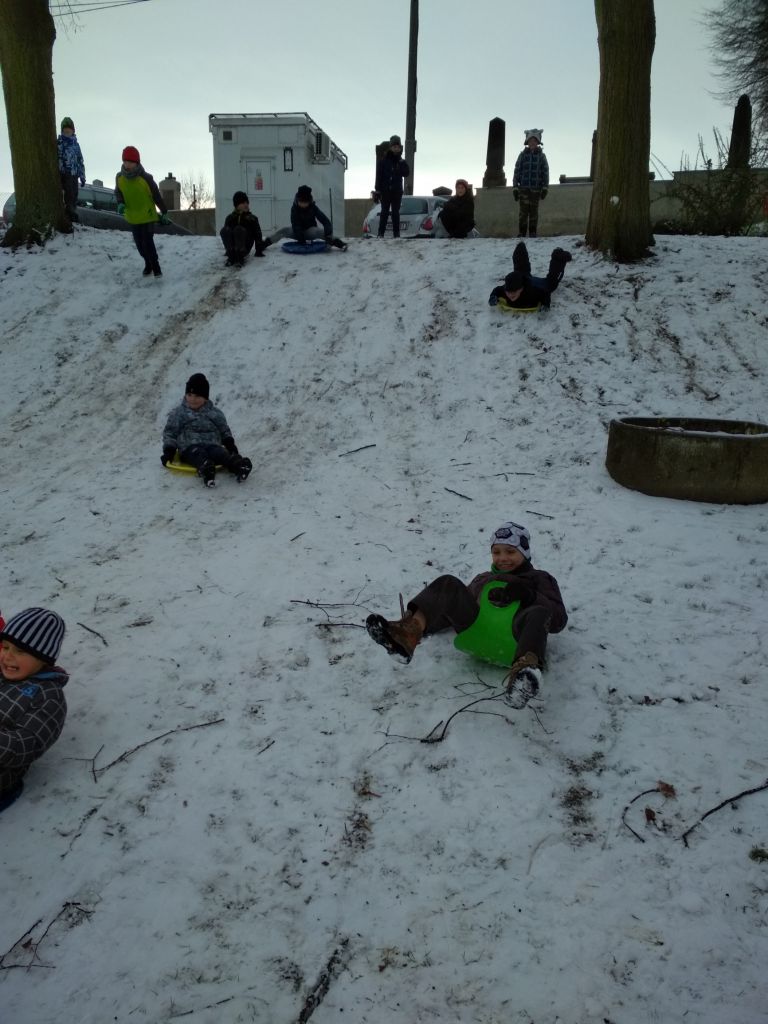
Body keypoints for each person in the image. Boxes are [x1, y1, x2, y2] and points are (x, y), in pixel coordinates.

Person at [366, 521, 567, 709]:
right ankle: (408, 634)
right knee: (448, 583)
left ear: (525, 552)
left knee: (539, 612)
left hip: (516, 641)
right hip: (476, 633)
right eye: (496, 552)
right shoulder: (483, 579)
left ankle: (524, 676)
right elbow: (452, 607)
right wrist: (430, 624)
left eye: (510, 551)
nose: (503, 558)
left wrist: (530, 595)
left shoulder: (539, 578)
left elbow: (558, 620)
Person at [0, 607, 68, 813]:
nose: (8, 657)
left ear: (43, 658)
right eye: (5, 647)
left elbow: (26, 745)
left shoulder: (48, 697)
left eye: (20, 651)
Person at [162, 373, 252, 488]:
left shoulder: (215, 413)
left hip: (212, 445)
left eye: (197, 396)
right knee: (198, 454)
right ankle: (206, 469)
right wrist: (169, 451)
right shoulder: (179, 414)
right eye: (189, 395)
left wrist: (230, 445)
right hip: (190, 447)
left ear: (205, 397)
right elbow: (170, 432)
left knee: (221, 454)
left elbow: (224, 430)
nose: (192, 399)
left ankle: (238, 466)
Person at [114, 146, 170, 278]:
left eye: (130, 162)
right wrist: (120, 203)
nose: (127, 164)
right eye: (125, 161)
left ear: (136, 162)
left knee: (147, 242)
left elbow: (156, 196)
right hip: (133, 216)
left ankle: (156, 266)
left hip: (147, 215)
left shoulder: (146, 178)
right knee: (139, 245)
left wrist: (164, 211)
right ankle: (147, 263)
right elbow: (118, 192)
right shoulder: (119, 177)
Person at [489, 242, 572, 312]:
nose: (510, 295)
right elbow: (497, 290)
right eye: (508, 292)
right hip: (523, 277)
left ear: (521, 289)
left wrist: (545, 305)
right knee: (520, 270)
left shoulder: (533, 291)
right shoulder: (505, 290)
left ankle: (558, 258)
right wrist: (493, 297)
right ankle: (520, 248)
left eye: (513, 292)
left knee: (551, 284)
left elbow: (545, 293)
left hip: (535, 284)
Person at [262, 186, 347, 250]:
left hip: (310, 231)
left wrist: (328, 236)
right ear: (297, 200)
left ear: (309, 201)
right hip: (297, 233)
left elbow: (325, 221)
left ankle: (340, 244)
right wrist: (301, 239)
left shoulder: (313, 208)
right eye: (301, 202)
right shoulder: (294, 209)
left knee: (321, 232)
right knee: (283, 230)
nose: (303, 204)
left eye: (305, 202)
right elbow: (295, 224)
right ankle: (265, 244)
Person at [512, 129, 550, 238]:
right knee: (523, 212)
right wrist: (515, 187)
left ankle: (533, 232)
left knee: (533, 212)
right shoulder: (522, 155)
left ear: (538, 142)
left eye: (534, 141)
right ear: (527, 142)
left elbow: (545, 172)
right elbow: (517, 171)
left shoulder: (542, 156)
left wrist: (545, 187)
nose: (532, 143)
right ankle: (522, 232)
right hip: (523, 188)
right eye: (530, 141)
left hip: (536, 189)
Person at [375, 136, 410, 238]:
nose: (396, 148)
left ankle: (396, 234)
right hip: (385, 191)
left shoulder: (401, 161)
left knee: (395, 213)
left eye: (397, 147)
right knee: (384, 212)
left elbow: (406, 173)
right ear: (390, 147)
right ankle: (380, 233)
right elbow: (379, 176)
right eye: (394, 146)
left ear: (400, 148)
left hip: (397, 191)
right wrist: (377, 190)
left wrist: (401, 163)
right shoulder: (383, 160)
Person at [220, 191, 265, 267]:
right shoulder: (230, 218)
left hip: (244, 248)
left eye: (247, 202)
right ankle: (231, 256)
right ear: (237, 205)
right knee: (225, 230)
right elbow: (227, 236)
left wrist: (258, 251)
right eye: (243, 203)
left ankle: (239, 258)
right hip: (232, 249)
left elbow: (258, 234)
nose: (246, 205)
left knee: (238, 229)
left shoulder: (252, 218)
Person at [57, 116, 86, 222]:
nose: (67, 133)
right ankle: (69, 213)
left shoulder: (76, 145)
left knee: (74, 194)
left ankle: (73, 210)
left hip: (75, 175)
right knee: (68, 194)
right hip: (65, 174)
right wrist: (60, 170)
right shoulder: (60, 143)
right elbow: (59, 158)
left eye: (69, 131)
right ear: (62, 132)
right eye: (65, 131)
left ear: (73, 131)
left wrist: (82, 176)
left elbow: (80, 161)